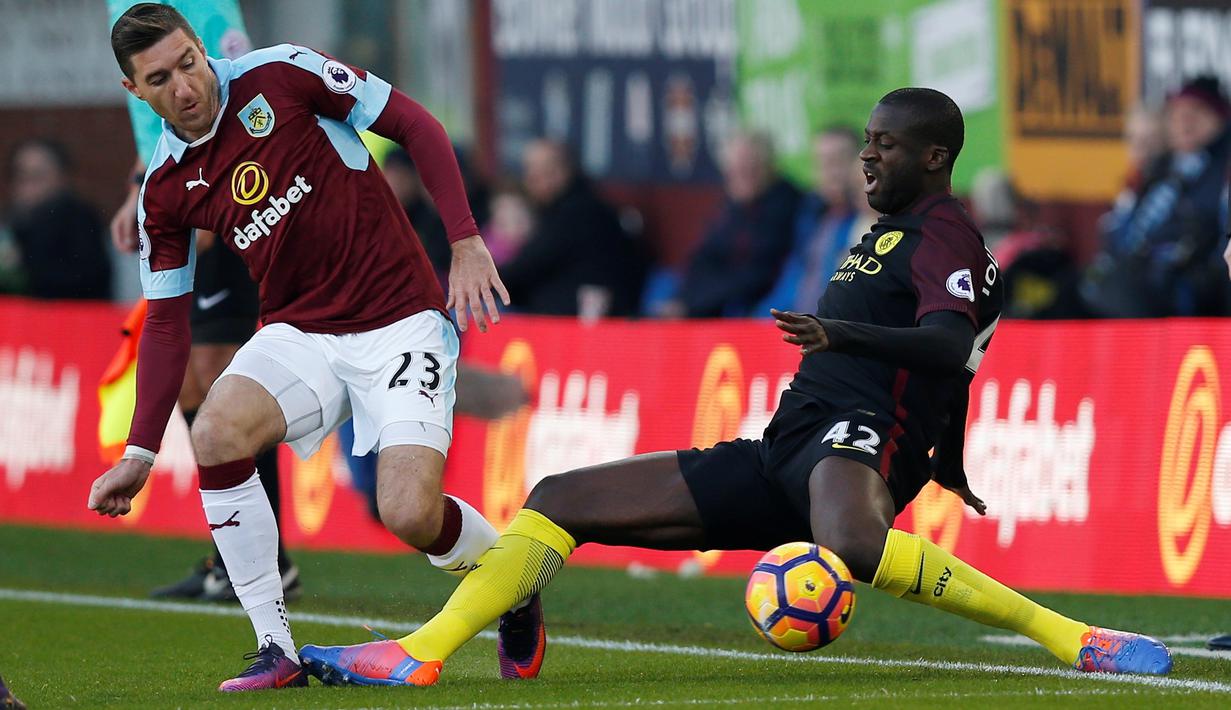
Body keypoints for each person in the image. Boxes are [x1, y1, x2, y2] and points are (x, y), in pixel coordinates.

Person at [297, 88, 1173, 687]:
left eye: (887, 145)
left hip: (856, 441)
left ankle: (1076, 638)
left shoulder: (946, 235)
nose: (869, 157)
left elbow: (948, 347)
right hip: (789, 444)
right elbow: (964, 356)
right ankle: (423, 651)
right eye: (865, 142)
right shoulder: (891, 231)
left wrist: (844, 341)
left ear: (935, 156)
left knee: (852, 542)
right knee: (559, 497)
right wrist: (950, 450)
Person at [86, 4, 535, 692]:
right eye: (160, 78)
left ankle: (513, 578)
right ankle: (275, 648)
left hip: (401, 319)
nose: (183, 86)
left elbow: (415, 124)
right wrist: (140, 453)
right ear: (134, 92)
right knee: (215, 433)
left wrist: (465, 240)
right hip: (300, 333)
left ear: (202, 50)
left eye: (187, 63)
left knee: (409, 514)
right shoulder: (165, 190)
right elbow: (167, 323)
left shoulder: (282, 75)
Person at [105, 0, 298, 604]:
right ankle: (230, 551)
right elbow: (152, 118)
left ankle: (268, 557)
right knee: (192, 383)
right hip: (177, 181)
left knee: (220, 377)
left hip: (224, 194)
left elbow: (228, 85)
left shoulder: (196, 6)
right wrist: (139, 189)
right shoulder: (124, 9)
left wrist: (214, 199)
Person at [1083, 76, 1231, 317]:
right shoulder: (1160, 166)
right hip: (1134, 271)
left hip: (1183, 283)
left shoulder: (1222, 169)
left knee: (1116, 289)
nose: (1185, 122)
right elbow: (1121, 225)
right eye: (1178, 114)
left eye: (1196, 112)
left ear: (1219, 117)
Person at [500, 139, 645, 317]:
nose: (529, 180)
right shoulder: (563, 209)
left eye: (537, 173)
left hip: (591, 325)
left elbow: (526, 267)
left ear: (560, 172)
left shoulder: (578, 213)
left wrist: (483, 281)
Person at [663, 130, 800, 318]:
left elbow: (759, 274)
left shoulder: (786, 204)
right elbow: (704, 257)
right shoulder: (731, 207)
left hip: (751, 310)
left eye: (750, 168)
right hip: (712, 301)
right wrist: (682, 299)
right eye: (735, 170)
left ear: (769, 166)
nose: (741, 175)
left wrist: (694, 304)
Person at [759, 126, 862, 313]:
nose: (831, 173)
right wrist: (761, 320)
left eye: (839, 161)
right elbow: (791, 281)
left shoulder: (870, 223)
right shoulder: (811, 217)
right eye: (822, 163)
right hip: (790, 330)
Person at [5, 138, 111, 300]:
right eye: (22, 177)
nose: (28, 186)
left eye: (37, 176)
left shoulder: (79, 219)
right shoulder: (14, 221)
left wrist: (24, 263)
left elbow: (88, 278)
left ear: (62, 177)